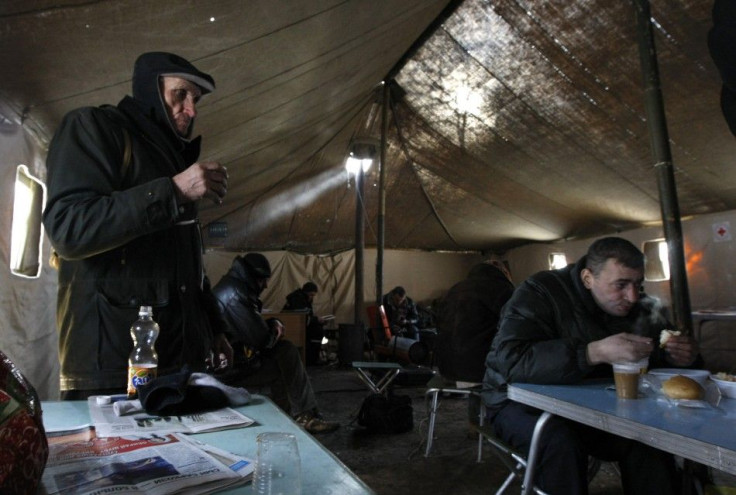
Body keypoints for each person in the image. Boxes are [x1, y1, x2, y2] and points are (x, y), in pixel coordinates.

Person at [43, 52, 233, 400]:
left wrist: (211, 328)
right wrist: (173, 191)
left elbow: (185, 263)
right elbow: (69, 229)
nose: (191, 110)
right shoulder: (93, 128)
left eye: (196, 100)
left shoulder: (169, 158)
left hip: (175, 362)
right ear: (150, 89)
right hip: (112, 367)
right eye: (180, 95)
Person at [482, 237, 701, 495]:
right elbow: (510, 359)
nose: (631, 296)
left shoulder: (640, 306)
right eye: (620, 285)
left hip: (596, 407)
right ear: (588, 278)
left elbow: (655, 359)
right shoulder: (540, 291)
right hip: (516, 402)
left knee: (648, 437)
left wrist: (680, 357)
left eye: (637, 284)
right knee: (559, 441)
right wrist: (591, 352)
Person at [212, 254, 339, 434]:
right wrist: (275, 324)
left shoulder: (232, 288)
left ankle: (288, 420)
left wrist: (272, 323)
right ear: (252, 277)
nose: (266, 285)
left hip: (227, 366)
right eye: (263, 280)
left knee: (282, 365)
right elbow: (263, 340)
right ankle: (304, 416)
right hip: (228, 373)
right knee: (286, 351)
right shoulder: (236, 295)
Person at [435, 261, 514, 384]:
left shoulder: (455, 289)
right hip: (479, 369)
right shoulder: (502, 289)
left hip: (446, 366)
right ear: (503, 272)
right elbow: (515, 327)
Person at [283, 282, 327, 365]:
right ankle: (311, 359)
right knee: (317, 332)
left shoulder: (304, 298)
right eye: (311, 295)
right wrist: (316, 320)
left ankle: (312, 358)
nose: (312, 297)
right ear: (306, 292)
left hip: (302, 325)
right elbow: (301, 315)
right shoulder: (297, 299)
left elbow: (307, 315)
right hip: (294, 325)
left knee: (318, 330)